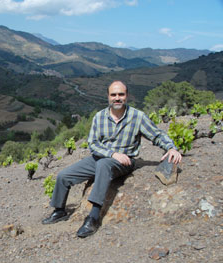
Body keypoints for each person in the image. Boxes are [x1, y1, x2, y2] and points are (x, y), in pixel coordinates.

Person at [42, 81, 182, 238]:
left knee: (103, 165)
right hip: (102, 156)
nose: (117, 98)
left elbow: (156, 135)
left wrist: (171, 148)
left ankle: (93, 217)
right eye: (113, 95)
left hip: (124, 161)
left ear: (127, 96)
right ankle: (59, 210)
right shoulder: (99, 117)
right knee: (64, 175)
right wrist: (112, 154)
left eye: (121, 94)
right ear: (108, 97)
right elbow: (93, 144)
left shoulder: (137, 117)